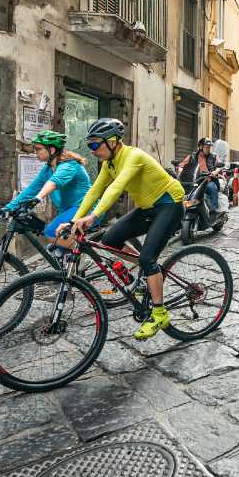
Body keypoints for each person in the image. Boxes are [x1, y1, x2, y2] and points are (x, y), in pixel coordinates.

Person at [67, 118, 186, 340]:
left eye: (95, 145)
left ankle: (159, 313)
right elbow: (95, 191)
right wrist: (76, 219)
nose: (92, 151)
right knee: (110, 240)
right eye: (89, 146)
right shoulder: (109, 163)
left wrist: (93, 216)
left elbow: (116, 188)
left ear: (112, 142)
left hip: (170, 204)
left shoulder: (134, 156)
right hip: (147, 207)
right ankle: (142, 278)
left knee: (148, 258)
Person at [2, 130, 94, 247]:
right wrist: (8, 208)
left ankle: (82, 256)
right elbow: (31, 189)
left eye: (38, 149)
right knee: (57, 247)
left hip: (85, 207)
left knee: (50, 232)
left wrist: (38, 198)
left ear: (51, 150)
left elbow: (54, 182)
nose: (36, 152)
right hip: (68, 209)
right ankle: (74, 258)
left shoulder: (70, 165)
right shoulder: (48, 169)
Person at [177, 138, 221, 214]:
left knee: (212, 187)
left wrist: (216, 171)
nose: (208, 149)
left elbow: (219, 166)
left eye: (209, 147)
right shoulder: (192, 156)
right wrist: (180, 170)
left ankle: (214, 211)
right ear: (201, 147)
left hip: (207, 181)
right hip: (194, 180)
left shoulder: (214, 157)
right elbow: (182, 165)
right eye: (206, 147)